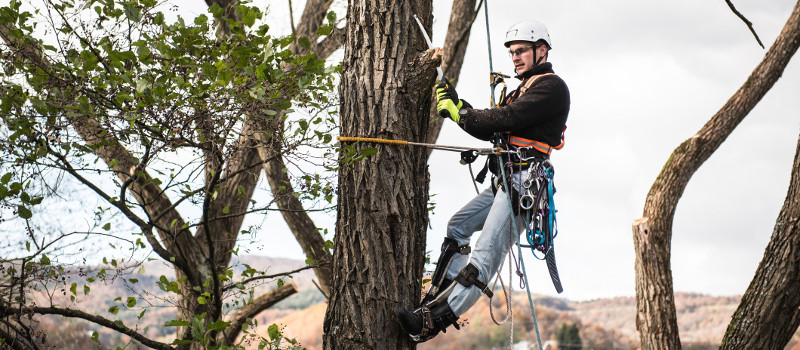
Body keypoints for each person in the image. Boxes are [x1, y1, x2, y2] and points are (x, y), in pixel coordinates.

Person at [395, 20, 570, 342]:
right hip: (505, 180)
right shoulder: (523, 88)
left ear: (541, 50)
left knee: (485, 256)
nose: (515, 58)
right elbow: (492, 127)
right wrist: (459, 106)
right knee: (458, 226)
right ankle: (441, 295)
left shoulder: (551, 87)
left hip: (522, 186)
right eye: (512, 53)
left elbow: (507, 119)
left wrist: (460, 113)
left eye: (521, 52)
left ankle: (430, 322)